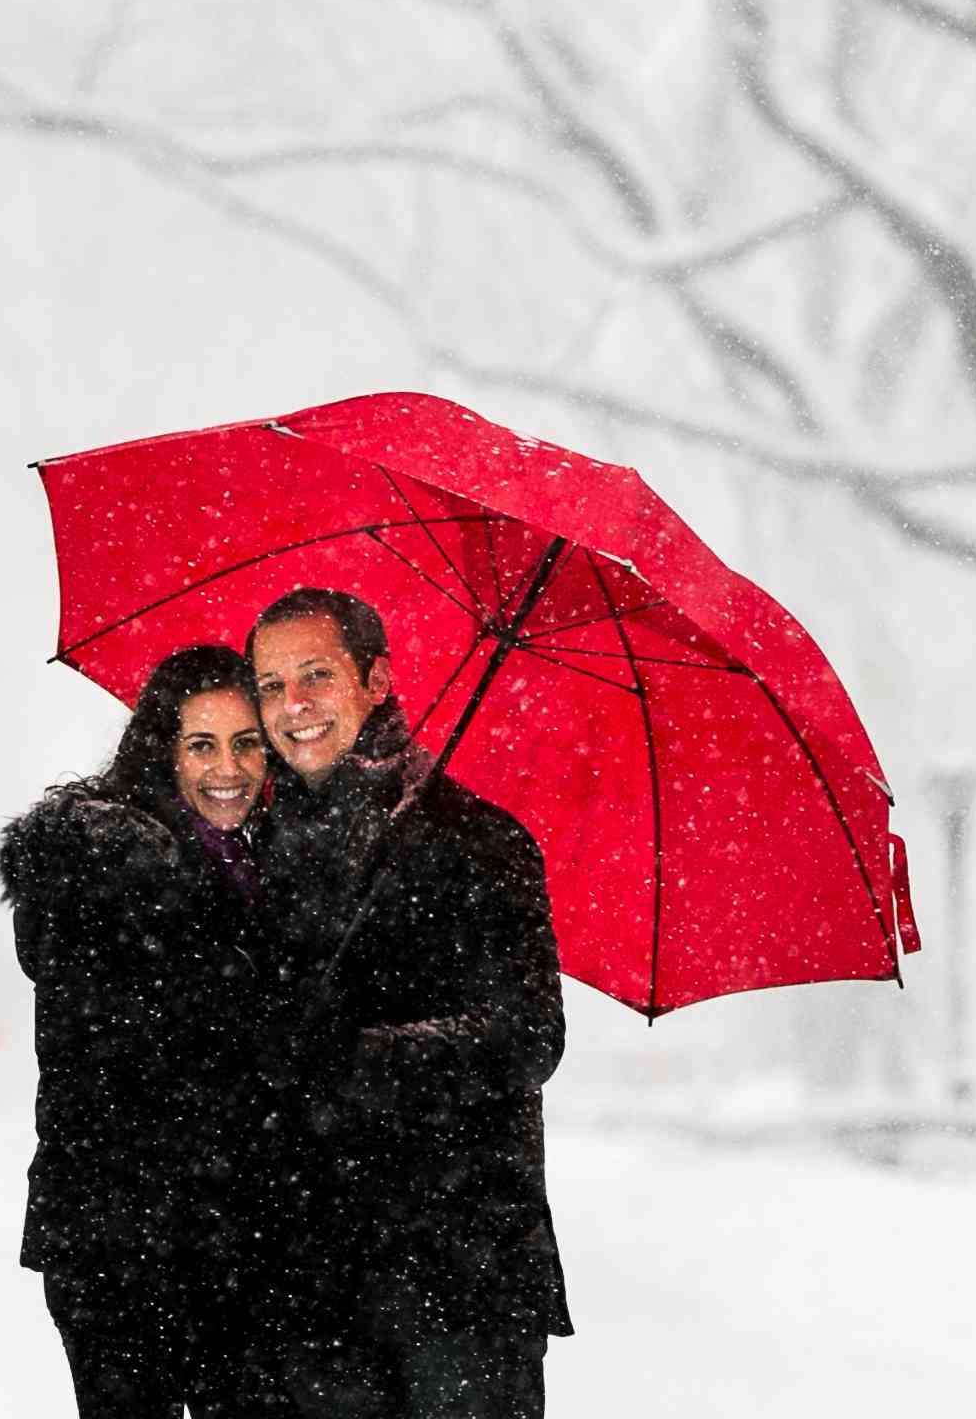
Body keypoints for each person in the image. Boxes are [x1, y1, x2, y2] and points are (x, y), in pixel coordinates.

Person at [246, 586, 571, 1419]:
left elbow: (526, 1036)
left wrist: (355, 1058)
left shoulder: (478, 841)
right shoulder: (246, 853)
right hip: (297, 1285)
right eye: (272, 685)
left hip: (457, 1275)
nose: (295, 706)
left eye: (317, 675)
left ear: (378, 680)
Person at [0, 643, 275, 1419]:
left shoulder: (252, 870)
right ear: (163, 748)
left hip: (236, 1240)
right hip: (123, 1240)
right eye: (203, 744)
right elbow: (136, 1054)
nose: (229, 767)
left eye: (247, 742)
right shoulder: (113, 869)